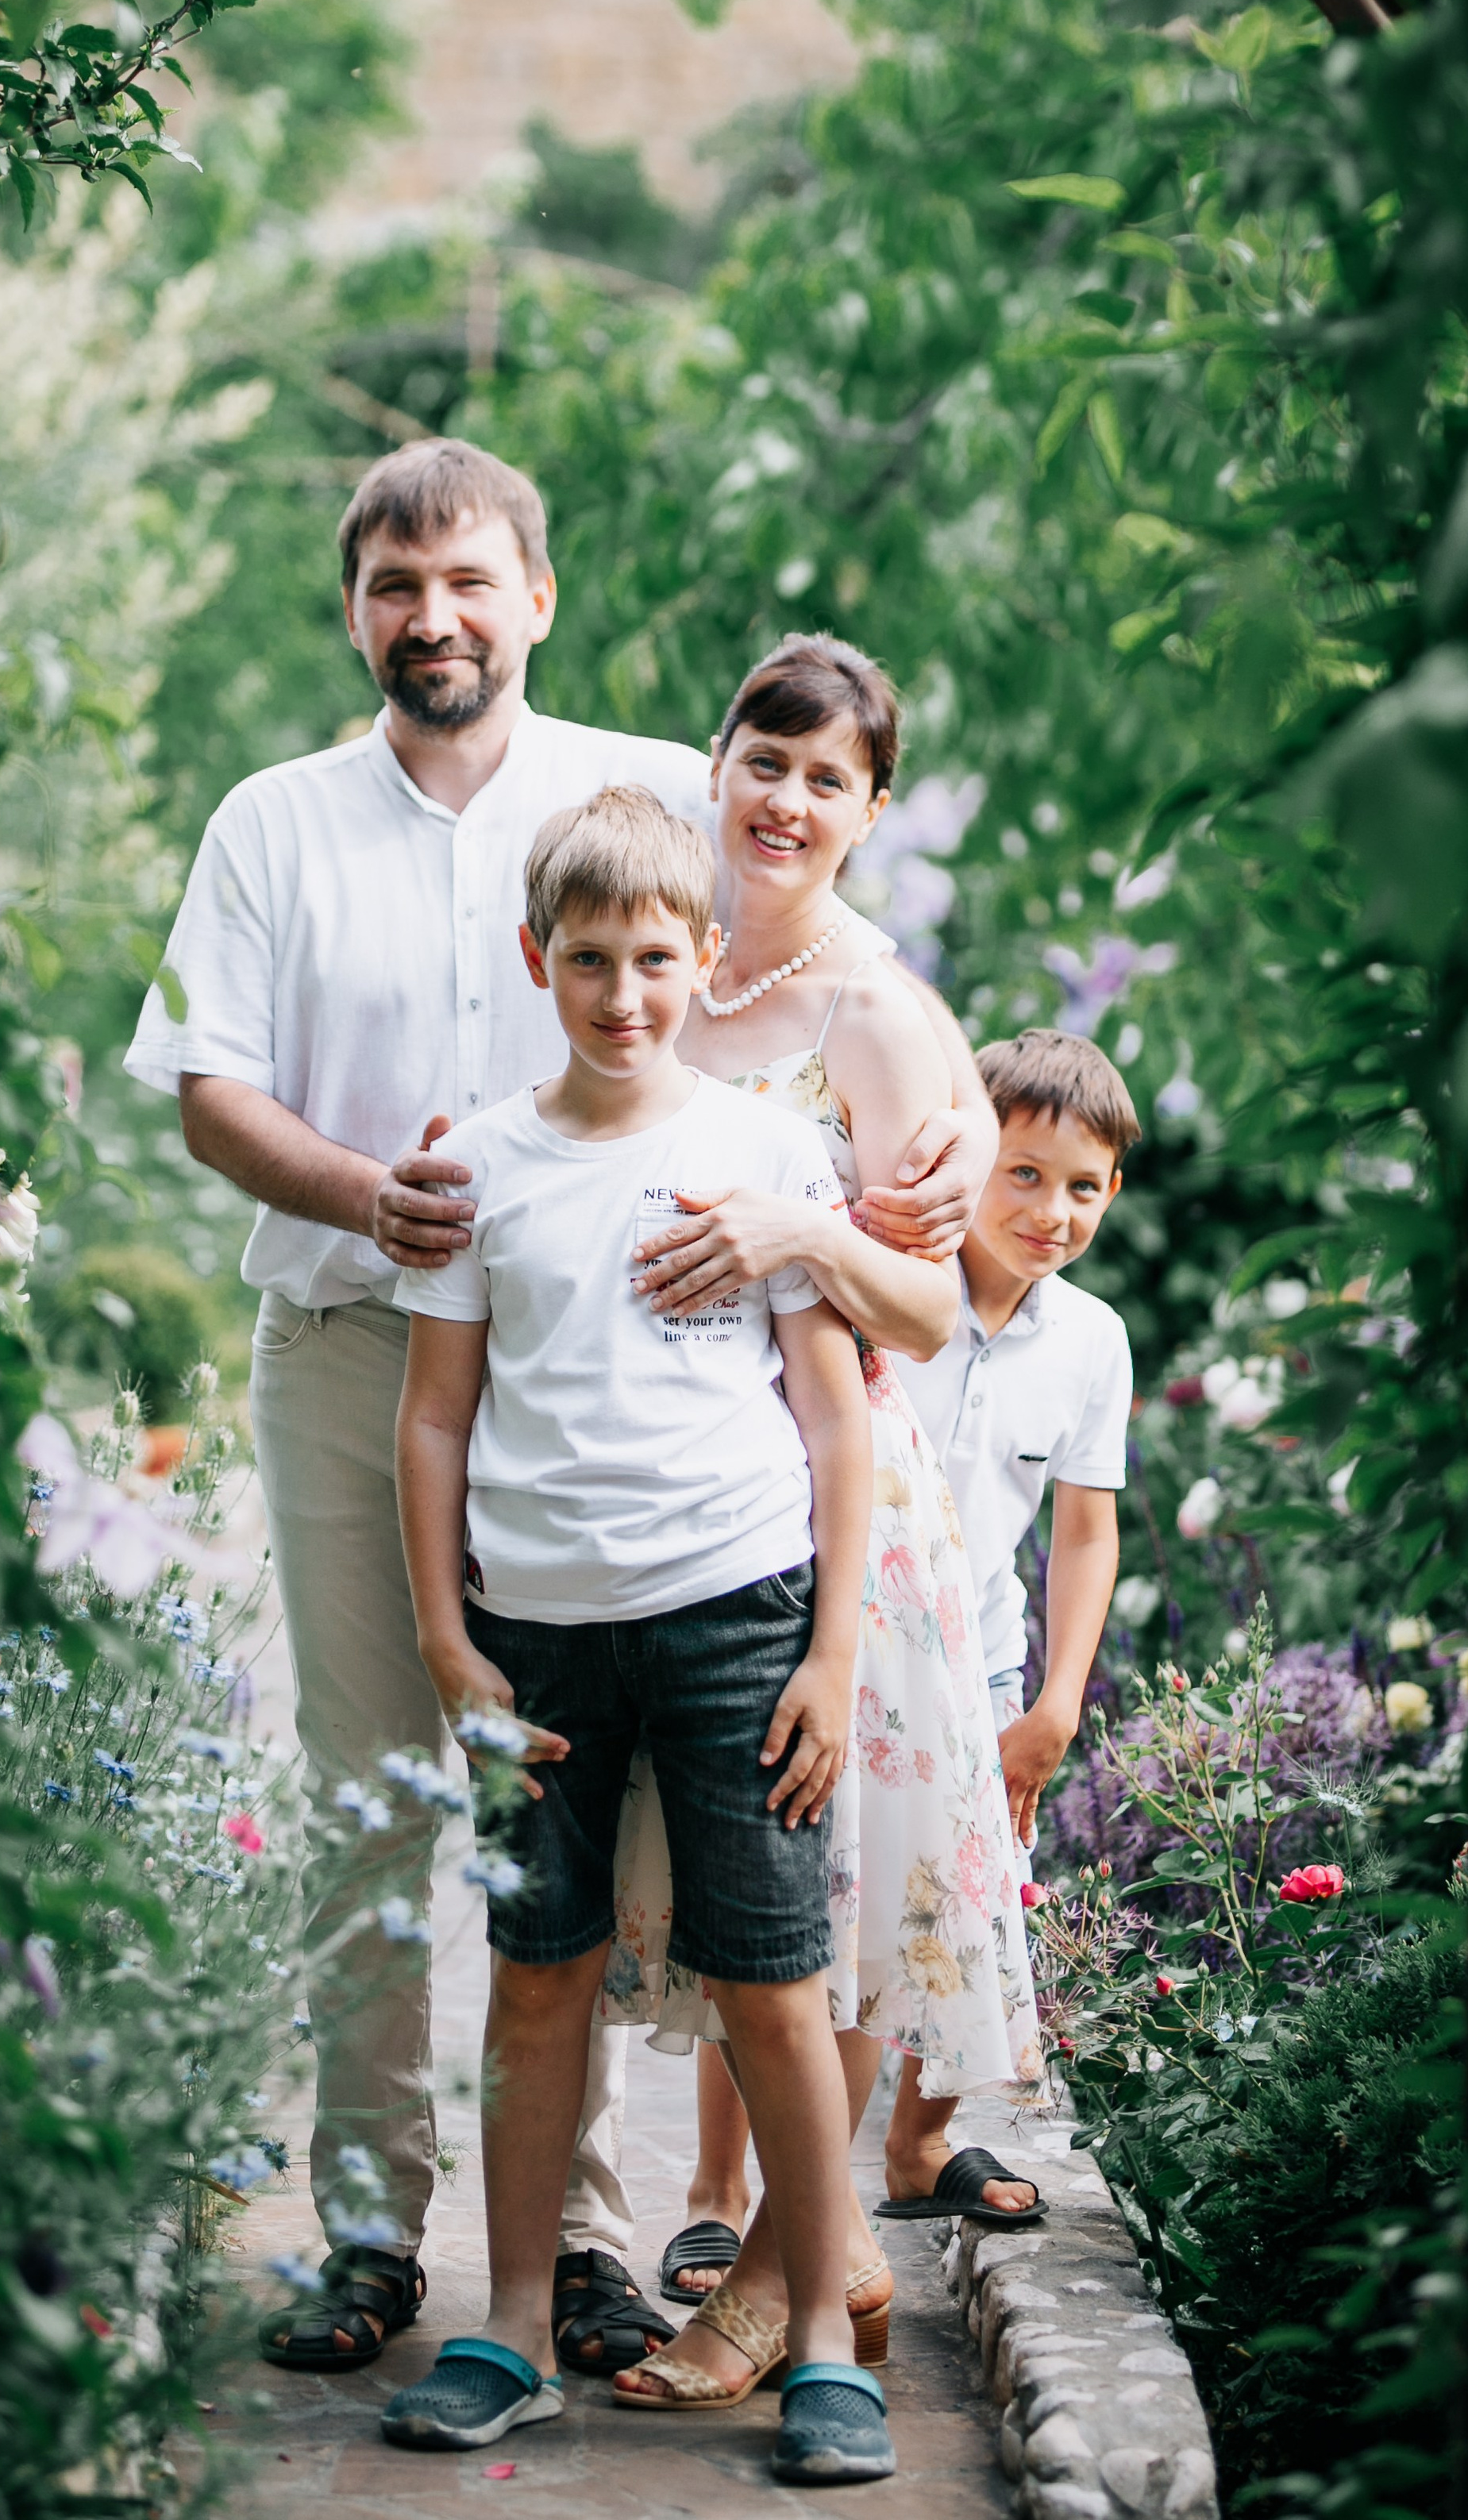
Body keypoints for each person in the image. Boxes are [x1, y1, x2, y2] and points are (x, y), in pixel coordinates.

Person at [121, 438, 992, 2373]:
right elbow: (204, 1089)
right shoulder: (268, 823)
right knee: (369, 1796)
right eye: (389, 585)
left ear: (534, 596)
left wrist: (905, 1158)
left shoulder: (629, 798)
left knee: (593, 1847)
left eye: (465, 579)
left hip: (620, 1396)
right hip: (364, 1360)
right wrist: (369, 1192)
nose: (428, 616)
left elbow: (787, 908)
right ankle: (367, 2229)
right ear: (353, 609)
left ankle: (581, 2242)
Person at [381, 786, 896, 2483]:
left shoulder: (760, 1155)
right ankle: (508, 2328)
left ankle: (818, 2339)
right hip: (537, 1642)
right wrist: (450, 1645)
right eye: (588, 959)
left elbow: (835, 1424)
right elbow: (435, 1424)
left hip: (739, 1619)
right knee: (540, 1985)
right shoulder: (477, 1166)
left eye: (655, 959)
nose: (622, 994)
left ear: (697, 964)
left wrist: (827, 1650)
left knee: (774, 1989)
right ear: (539, 963)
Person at [595, 636, 1042, 2388]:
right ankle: (814, 2253)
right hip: (667, 1505)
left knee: (846, 1893)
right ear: (715, 765)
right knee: (756, 1896)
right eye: (759, 761)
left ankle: (777, 2277)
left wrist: (804, 1238)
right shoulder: (664, 967)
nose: (782, 802)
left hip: (833, 1503)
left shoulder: (876, 1011)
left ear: (868, 810)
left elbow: (939, 1307)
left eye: (823, 779)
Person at [877, 1027, 1135, 2224]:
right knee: (803, 1921)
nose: (1052, 1210)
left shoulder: (1090, 1341)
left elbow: (1085, 1531)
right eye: (1022, 1172)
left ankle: (920, 2145)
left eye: (1083, 1186)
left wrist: (1056, 1703)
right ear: (963, 1154)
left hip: (980, 1665)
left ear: (1113, 1194)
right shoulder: (887, 1291)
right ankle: (734, 2188)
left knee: (970, 1907)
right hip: (848, 1647)